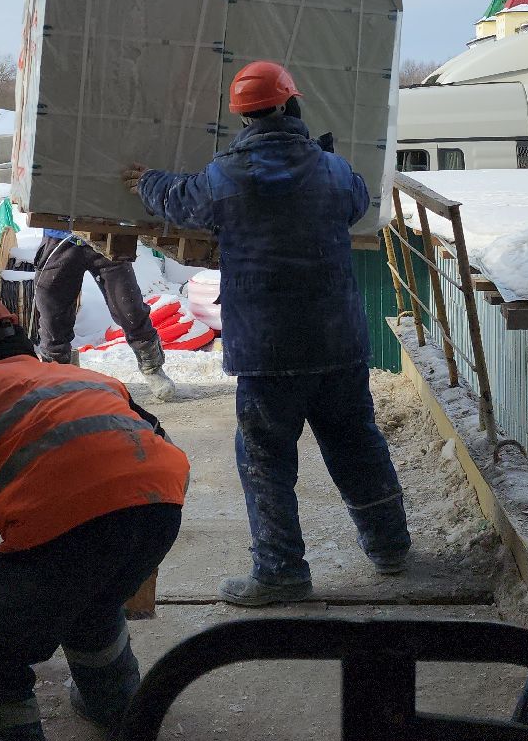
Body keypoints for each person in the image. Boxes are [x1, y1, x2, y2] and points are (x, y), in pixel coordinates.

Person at [121, 60, 410, 607]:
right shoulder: (332, 169)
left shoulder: (224, 177)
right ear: (291, 106)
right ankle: (390, 548)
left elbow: (178, 201)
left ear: (243, 118)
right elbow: (355, 202)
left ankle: (280, 570)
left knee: (266, 460)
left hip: (268, 350)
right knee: (357, 446)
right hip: (337, 341)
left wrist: (147, 181)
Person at [0, 289, 190, 741]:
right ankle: (122, 711)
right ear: (17, 335)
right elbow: (153, 437)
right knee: (90, 605)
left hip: (68, 533)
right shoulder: (81, 377)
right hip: (160, 510)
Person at [32, 229, 180, 400]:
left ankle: (152, 368)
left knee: (129, 308)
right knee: (53, 318)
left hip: (106, 236)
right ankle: (60, 379)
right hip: (60, 238)